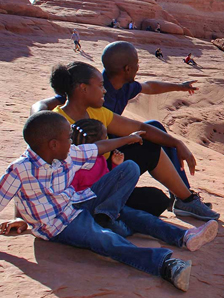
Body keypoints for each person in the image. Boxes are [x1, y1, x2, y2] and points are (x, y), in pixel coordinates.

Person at [0, 111, 219, 292]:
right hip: (59, 225)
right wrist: (20, 219)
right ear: (53, 144)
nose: (71, 142)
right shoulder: (19, 170)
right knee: (104, 239)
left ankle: (183, 237)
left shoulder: (66, 154)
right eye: (68, 138)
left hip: (79, 202)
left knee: (130, 174)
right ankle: (165, 265)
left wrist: (127, 139)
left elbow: (97, 148)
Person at [30, 42, 205, 215]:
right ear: (127, 68)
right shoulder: (91, 89)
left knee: (154, 131)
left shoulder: (121, 86)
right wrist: (39, 117)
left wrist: (180, 87)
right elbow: (50, 103)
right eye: (137, 62)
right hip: (89, 164)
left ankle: (183, 196)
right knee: (151, 174)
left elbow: (150, 87)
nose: (139, 66)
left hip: (112, 152)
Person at [70, 119, 170, 216]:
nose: (109, 141)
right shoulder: (75, 166)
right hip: (90, 205)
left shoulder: (101, 160)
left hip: (112, 199)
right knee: (130, 221)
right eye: (106, 139)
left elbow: (110, 182)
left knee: (158, 199)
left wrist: (116, 165)